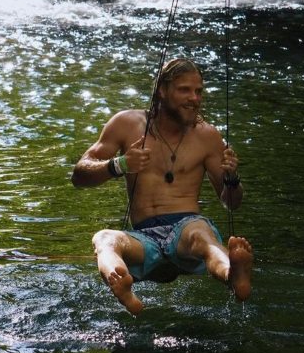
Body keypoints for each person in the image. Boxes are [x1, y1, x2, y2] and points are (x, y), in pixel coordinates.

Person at [71, 57, 252, 314]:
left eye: (199, 91)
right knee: (104, 238)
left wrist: (232, 178)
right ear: (162, 91)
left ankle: (232, 274)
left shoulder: (208, 136)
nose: (194, 98)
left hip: (185, 228)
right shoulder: (127, 124)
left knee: (202, 235)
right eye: (184, 90)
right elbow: (79, 175)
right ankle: (121, 283)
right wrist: (120, 164)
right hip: (144, 237)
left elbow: (231, 202)